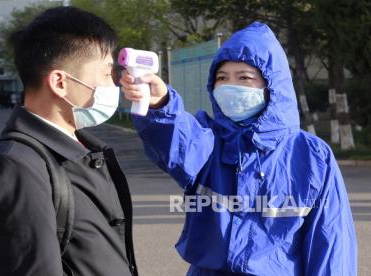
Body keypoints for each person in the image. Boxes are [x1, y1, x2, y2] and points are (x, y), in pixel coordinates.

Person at [120, 22, 357, 275]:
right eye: (222, 78)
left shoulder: (312, 156)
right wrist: (160, 104)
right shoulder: (209, 139)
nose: (229, 87)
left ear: (271, 85)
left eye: (244, 77)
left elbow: (331, 241)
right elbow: (177, 145)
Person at [0, 6, 137, 276]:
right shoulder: (16, 167)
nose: (114, 84)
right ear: (60, 82)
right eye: (106, 74)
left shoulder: (76, 150)